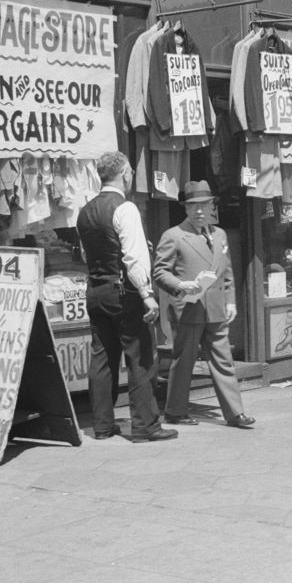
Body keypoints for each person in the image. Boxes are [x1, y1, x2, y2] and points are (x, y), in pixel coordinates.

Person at [76, 151, 178, 442]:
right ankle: (146, 425)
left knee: (102, 358)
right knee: (141, 355)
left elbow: (86, 254)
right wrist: (146, 294)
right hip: (124, 291)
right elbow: (134, 257)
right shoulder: (126, 208)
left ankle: (103, 425)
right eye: (131, 172)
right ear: (125, 174)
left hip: (96, 289)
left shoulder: (85, 211)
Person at [153, 180, 256, 429]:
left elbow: (227, 271)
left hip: (217, 310)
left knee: (224, 361)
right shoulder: (174, 236)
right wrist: (180, 285)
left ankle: (235, 413)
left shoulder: (219, 235)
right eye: (193, 206)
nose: (199, 211)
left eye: (204, 205)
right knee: (184, 360)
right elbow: (160, 272)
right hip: (189, 308)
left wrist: (230, 302)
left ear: (212, 206)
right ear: (185, 209)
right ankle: (175, 411)